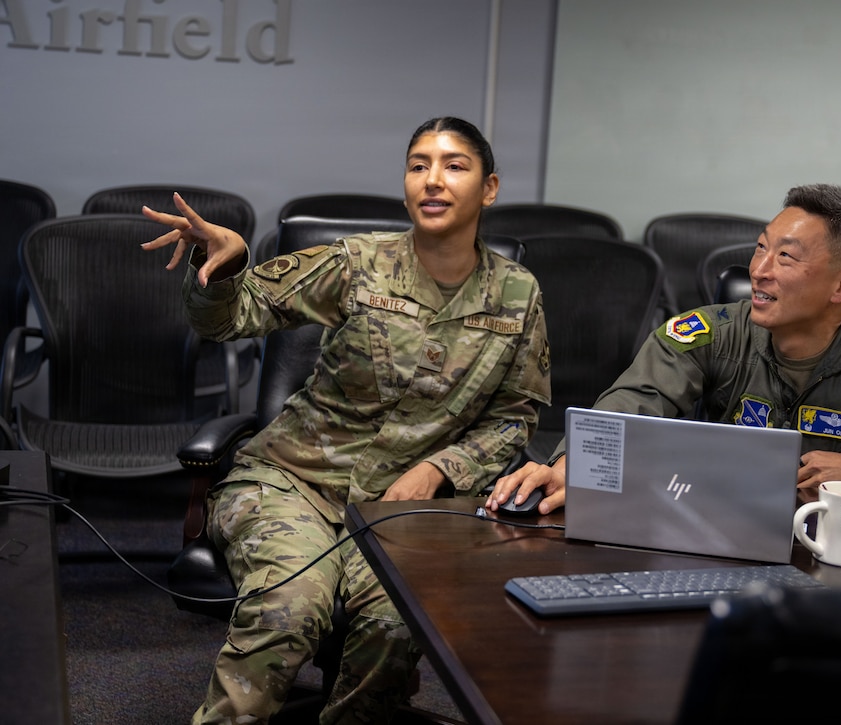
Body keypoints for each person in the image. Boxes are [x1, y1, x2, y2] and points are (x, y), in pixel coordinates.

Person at [142, 117, 551, 724]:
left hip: (401, 508)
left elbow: (515, 416)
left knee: (393, 624)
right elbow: (232, 318)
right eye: (418, 165)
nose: (432, 181)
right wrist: (227, 268)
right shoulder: (358, 262)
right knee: (289, 607)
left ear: (488, 188)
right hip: (291, 483)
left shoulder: (518, 294)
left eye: (453, 166)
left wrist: (441, 469)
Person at [487, 183, 841, 516]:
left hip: (840, 563)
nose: (759, 271)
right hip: (714, 531)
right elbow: (634, 402)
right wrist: (575, 462)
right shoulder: (709, 334)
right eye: (760, 248)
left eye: (786, 258)